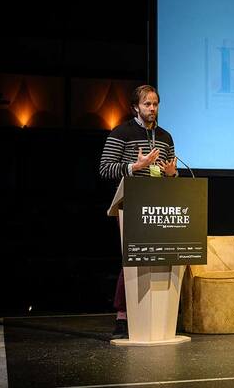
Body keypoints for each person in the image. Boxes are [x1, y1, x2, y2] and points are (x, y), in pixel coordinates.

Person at [99, 84, 178, 339]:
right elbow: (106, 169)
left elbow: (172, 170)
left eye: (155, 103)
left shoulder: (165, 136)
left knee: (159, 258)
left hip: (160, 206)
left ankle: (157, 316)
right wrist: (137, 166)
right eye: (147, 104)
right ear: (135, 107)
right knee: (132, 260)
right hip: (132, 204)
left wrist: (171, 174)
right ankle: (123, 317)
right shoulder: (121, 132)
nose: (152, 108)